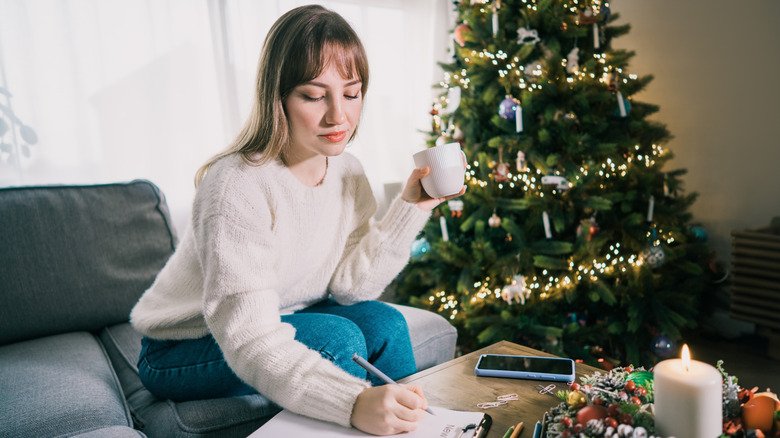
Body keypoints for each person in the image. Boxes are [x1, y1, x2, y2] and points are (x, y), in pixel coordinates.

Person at [129, 4, 466, 436]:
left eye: (351, 92)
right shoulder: (237, 184)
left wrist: (411, 206)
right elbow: (249, 337)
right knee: (336, 338)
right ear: (279, 97)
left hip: (289, 312)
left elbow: (350, 288)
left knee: (385, 324)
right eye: (313, 95)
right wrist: (351, 403)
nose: (338, 116)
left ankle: (421, 428)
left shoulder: (348, 171)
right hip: (182, 347)